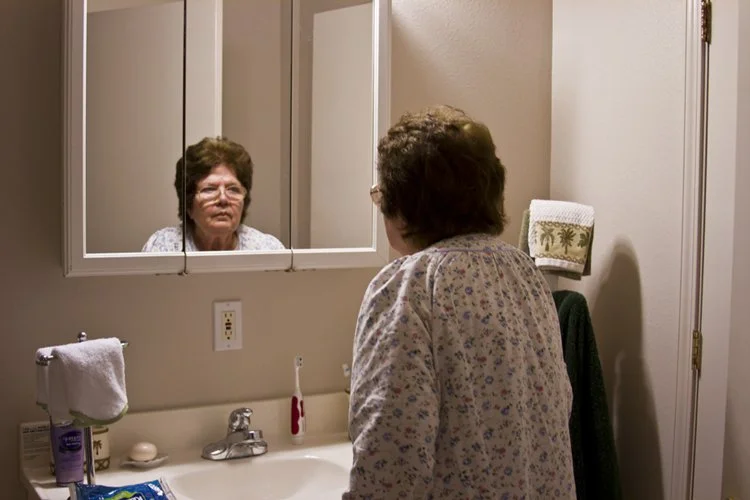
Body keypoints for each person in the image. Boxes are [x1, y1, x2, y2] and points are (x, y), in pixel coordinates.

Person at [343, 105, 576, 499]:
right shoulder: (525, 273)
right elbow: (558, 405)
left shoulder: (408, 286)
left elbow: (391, 458)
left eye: (382, 194)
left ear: (406, 202)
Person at [142, 136, 285, 252]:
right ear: (188, 203)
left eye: (233, 189)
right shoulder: (162, 247)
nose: (223, 199)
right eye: (209, 189)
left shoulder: (268, 249)